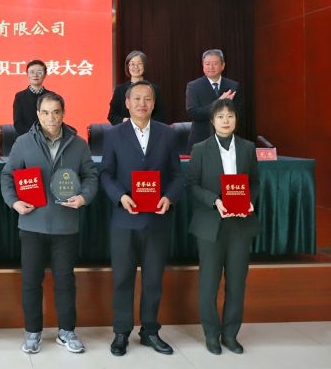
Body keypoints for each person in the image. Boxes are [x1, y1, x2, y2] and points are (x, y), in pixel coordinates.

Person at [1, 92, 98, 354]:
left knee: (65, 281)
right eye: (45, 112)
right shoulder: (23, 142)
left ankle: (66, 332)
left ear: (63, 114)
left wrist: (84, 197)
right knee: (31, 282)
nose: (51, 118)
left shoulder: (78, 144)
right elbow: (7, 176)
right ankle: (33, 332)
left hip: (66, 224)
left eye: (56, 112)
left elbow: (90, 177)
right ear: (38, 114)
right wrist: (14, 202)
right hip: (32, 223)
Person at [100, 80, 183, 357]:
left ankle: (150, 331)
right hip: (124, 219)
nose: (142, 103)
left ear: (153, 103)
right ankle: (121, 332)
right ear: (127, 103)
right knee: (123, 278)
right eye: (136, 98)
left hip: (156, 219)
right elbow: (106, 173)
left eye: (147, 98)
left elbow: (177, 175)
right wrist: (120, 196)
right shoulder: (113, 135)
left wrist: (169, 198)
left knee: (153, 280)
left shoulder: (167, 134)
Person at [187, 99, 259, 356]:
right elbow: (192, 184)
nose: (226, 120)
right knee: (209, 282)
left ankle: (230, 334)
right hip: (211, 224)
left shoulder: (248, 148)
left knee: (237, 282)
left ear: (236, 119)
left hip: (240, 223)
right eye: (220, 116)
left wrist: (250, 201)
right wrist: (214, 201)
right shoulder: (200, 149)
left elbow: (255, 182)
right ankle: (211, 333)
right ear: (212, 121)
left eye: (230, 116)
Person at [186, 49, 241, 151]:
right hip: (201, 139)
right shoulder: (193, 86)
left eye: (215, 64)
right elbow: (192, 113)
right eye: (207, 64)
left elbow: (238, 113)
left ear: (223, 65)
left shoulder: (233, 86)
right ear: (203, 65)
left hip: (227, 138)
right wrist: (218, 102)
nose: (211, 67)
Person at [107, 50, 165, 124]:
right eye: (132, 64)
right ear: (128, 66)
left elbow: (160, 116)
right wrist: (128, 122)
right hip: (126, 128)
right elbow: (112, 116)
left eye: (139, 64)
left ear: (144, 66)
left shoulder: (154, 89)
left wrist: (143, 123)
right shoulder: (119, 90)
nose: (136, 67)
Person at [12, 59, 53, 136]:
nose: (35, 75)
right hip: (26, 138)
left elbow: (55, 120)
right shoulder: (20, 96)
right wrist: (31, 137)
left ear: (45, 74)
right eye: (32, 72)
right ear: (27, 74)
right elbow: (18, 123)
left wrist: (45, 135)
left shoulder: (52, 96)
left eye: (39, 72)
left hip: (48, 137)